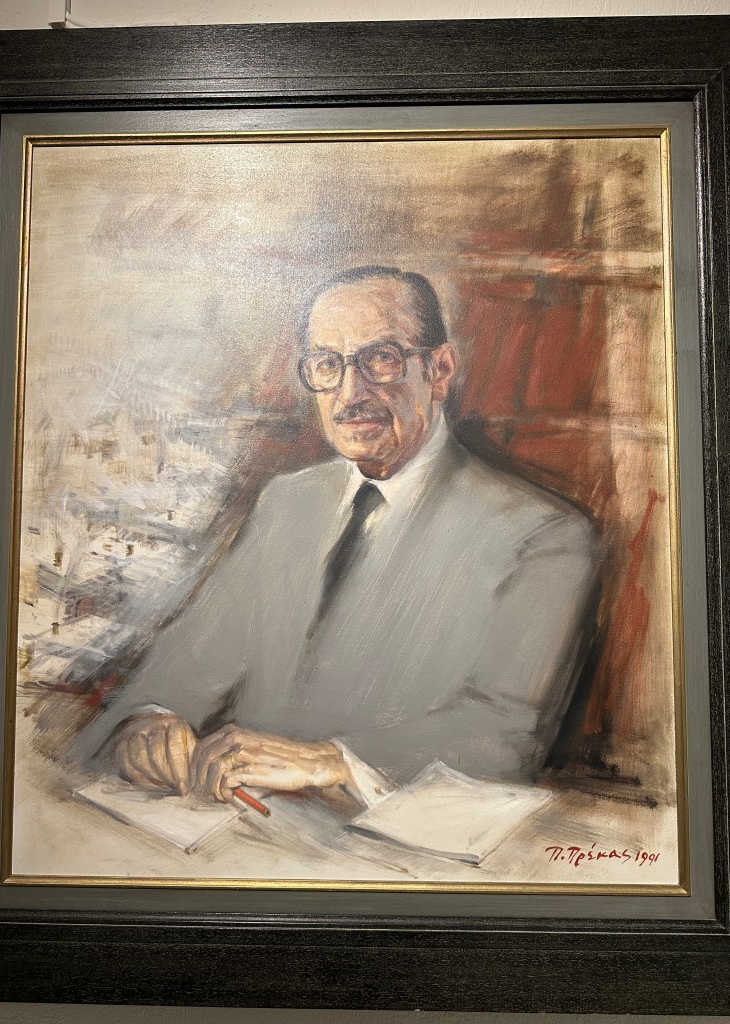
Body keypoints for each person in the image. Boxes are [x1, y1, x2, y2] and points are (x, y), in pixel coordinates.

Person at [77, 265, 599, 808]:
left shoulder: (541, 535)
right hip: (242, 823)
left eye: (381, 359)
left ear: (440, 370)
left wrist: (331, 763)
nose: (351, 394)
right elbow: (190, 659)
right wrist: (153, 718)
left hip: (397, 840)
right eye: (328, 364)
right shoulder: (288, 502)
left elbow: (505, 736)